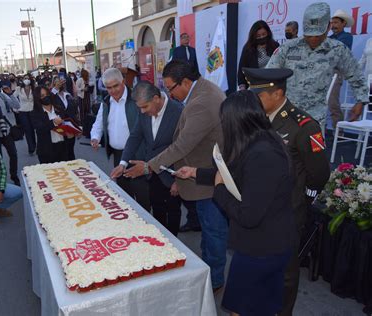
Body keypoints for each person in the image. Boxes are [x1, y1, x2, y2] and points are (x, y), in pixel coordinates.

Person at [243, 67, 331, 315]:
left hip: (288, 212)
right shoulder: (258, 119)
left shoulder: (303, 126)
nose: (254, 101)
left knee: (285, 274)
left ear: (278, 93)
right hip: (260, 208)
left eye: (258, 96)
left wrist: (302, 201)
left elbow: (319, 173)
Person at [145, 60, 227, 292]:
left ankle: (215, 281)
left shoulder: (202, 102)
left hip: (208, 180)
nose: (169, 93)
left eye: (170, 88)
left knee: (214, 232)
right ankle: (209, 272)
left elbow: (182, 145)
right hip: (201, 176)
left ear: (186, 82)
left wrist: (150, 166)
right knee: (209, 230)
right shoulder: (201, 91)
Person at [216, 90, 295, 315]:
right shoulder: (260, 141)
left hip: (262, 249)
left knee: (243, 310)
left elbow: (248, 215)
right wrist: (197, 173)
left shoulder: (263, 155)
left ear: (237, 121)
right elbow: (237, 174)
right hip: (267, 244)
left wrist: (219, 190)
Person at [267, 2, 369, 125]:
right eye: (309, 35)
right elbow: (268, 75)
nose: (313, 39)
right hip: (286, 117)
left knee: (315, 145)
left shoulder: (337, 50)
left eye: (318, 35)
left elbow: (356, 75)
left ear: (328, 28)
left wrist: (360, 101)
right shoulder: (287, 48)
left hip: (315, 120)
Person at [111, 81, 183, 236]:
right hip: (151, 172)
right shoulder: (143, 111)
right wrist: (123, 163)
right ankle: (161, 241)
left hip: (172, 173)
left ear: (156, 98)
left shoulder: (178, 111)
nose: (142, 111)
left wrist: (179, 180)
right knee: (157, 209)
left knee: (173, 211)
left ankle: (174, 244)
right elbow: (135, 136)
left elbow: (183, 147)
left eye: (145, 107)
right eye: (140, 108)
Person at [90, 68, 150, 211]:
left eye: (116, 86)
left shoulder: (135, 99)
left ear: (123, 82)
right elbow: (98, 123)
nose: (113, 90)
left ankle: (147, 228)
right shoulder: (106, 102)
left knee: (142, 198)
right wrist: (95, 137)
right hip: (118, 156)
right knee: (124, 198)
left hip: (137, 154)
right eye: (109, 87)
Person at [0, 79, 21, 186]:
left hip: (6, 131)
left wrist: (10, 94)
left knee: (13, 154)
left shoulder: (1, 96)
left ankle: (14, 176)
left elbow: (17, 105)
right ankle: (0, 181)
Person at [328, 9, 355, 128]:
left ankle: (338, 131)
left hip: (336, 72)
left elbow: (336, 53)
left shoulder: (347, 37)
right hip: (323, 72)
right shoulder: (329, 38)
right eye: (332, 23)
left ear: (343, 23)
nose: (333, 25)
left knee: (333, 103)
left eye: (336, 23)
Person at [30, 87, 68, 163]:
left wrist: (73, 132)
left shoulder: (59, 109)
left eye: (47, 94)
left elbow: (67, 123)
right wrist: (54, 123)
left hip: (62, 147)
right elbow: (40, 128)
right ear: (38, 99)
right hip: (46, 150)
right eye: (42, 96)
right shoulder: (35, 113)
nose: (46, 97)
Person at [238, 20, 279, 90]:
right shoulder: (248, 49)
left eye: (264, 34)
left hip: (273, 86)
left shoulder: (275, 46)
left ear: (268, 33)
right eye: (258, 36)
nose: (261, 37)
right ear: (253, 36)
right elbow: (241, 69)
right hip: (255, 86)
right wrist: (242, 88)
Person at [52, 78, 80, 161]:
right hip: (60, 126)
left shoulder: (68, 95)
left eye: (61, 82)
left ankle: (72, 166)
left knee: (71, 149)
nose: (60, 84)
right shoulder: (52, 96)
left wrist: (77, 128)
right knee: (63, 150)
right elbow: (50, 98)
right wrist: (55, 89)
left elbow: (75, 111)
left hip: (70, 125)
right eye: (57, 82)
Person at [13, 75, 36, 155]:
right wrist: (16, 108)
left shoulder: (34, 88)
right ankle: (31, 148)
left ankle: (35, 144)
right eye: (25, 78)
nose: (26, 80)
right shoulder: (18, 89)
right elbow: (13, 97)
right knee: (27, 130)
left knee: (33, 129)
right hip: (23, 111)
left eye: (28, 78)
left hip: (33, 111)